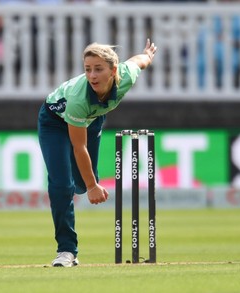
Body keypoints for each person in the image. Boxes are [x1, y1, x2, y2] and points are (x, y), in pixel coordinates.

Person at [37, 38, 157, 267]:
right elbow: (78, 146)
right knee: (62, 185)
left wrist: (148, 55)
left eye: (98, 69)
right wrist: (93, 187)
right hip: (54, 122)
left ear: (113, 71)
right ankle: (67, 251)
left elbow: (138, 62)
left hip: (90, 121)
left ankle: (84, 184)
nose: (92, 75)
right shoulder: (78, 99)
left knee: (81, 183)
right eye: (88, 69)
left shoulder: (126, 77)